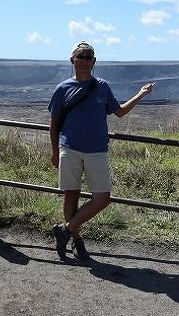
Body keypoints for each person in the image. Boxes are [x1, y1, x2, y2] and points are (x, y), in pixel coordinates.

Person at [48, 41, 155, 260]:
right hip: (69, 148)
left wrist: (140, 94)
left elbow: (119, 112)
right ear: (73, 60)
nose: (85, 60)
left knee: (103, 198)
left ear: (94, 62)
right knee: (71, 196)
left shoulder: (102, 86)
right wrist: (54, 152)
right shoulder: (62, 88)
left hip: (97, 150)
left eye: (89, 57)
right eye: (81, 56)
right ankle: (76, 241)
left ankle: (65, 230)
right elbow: (54, 122)